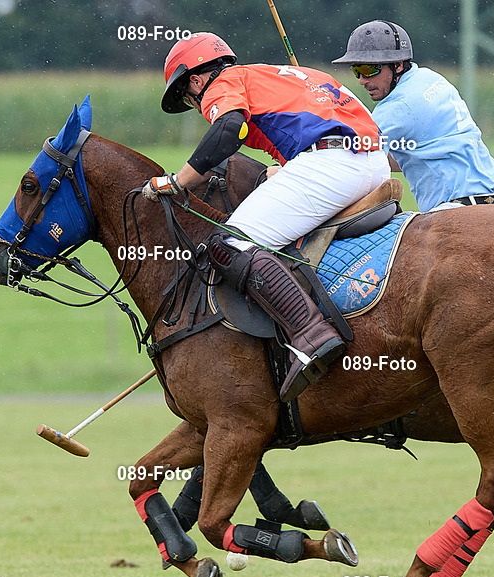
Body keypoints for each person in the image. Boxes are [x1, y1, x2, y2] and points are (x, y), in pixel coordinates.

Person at [144, 32, 390, 402]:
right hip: (374, 163)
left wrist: (178, 181)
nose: (197, 105)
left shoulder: (223, 82)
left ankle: (312, 334)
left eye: (188, 98)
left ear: (195, 79)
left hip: (332, 164)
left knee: (230, 243)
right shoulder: (286, 74)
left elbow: (229, 129)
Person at [333, 20, 494, 213]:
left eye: (370, 70)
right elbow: (405, 156)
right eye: (356, 70)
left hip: (456, 208)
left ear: (398, 65)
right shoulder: (430, 78)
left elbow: (352, 155)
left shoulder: (397, 107)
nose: (362, 80)